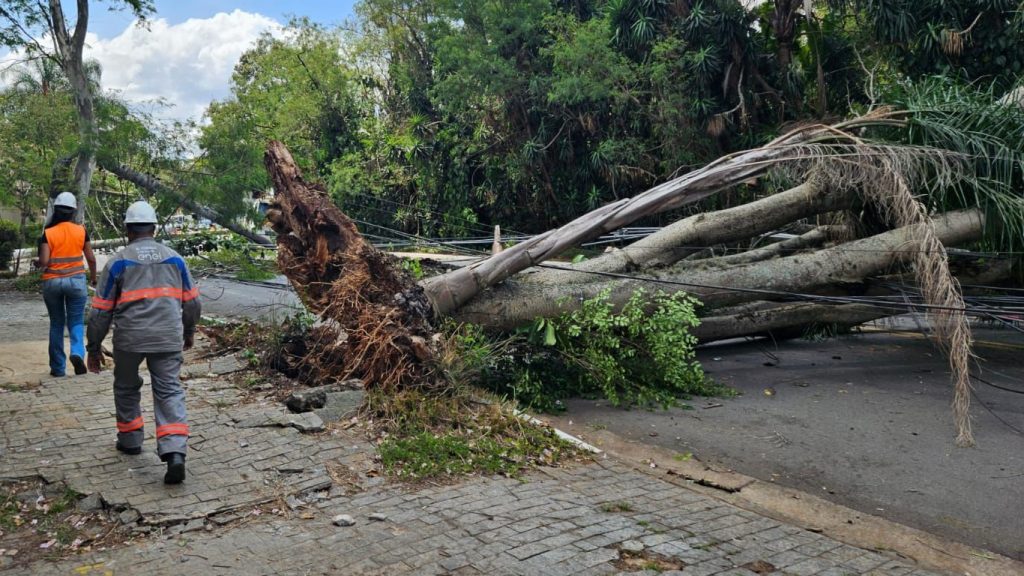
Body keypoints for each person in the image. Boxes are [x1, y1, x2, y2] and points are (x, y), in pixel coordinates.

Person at [86, 200, 201, 485]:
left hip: (129, 339)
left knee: (126, 387)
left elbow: (100, 311)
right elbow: (193, 303)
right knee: (169, 391)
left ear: (127, 229)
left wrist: (93, 347)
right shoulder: (175, 259)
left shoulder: (118, 262)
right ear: (153, 226)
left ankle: (130, 439)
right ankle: (175, 451)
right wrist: (188, 331)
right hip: (166, 337)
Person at [36, 192, 97, 377]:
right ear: (73, 212)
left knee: (56, 323)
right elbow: (92, 260)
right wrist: (93, 278)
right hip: (76, 282)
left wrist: (37, 262)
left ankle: (58, 368)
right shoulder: (81, 230)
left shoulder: (48, 233)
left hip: (52, 281)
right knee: (76, 321)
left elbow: (45, 261)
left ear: (56, 210)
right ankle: (77, 353)